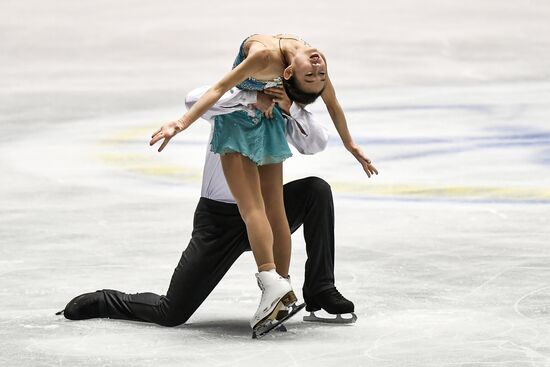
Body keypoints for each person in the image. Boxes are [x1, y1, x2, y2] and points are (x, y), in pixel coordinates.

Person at [59, 86, 358, 331]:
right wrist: (252, 97)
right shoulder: (229, 100)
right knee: (171, 313)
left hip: (268, 215)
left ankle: (320, 289)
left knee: (316, 190)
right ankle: (104, 301)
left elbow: (316, 144)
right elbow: (193, 97)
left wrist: (290, 107)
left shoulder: (282, 105)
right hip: (219, 223)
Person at [148, 34, 378, 332]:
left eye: (318, 74)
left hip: (248, 148)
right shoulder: (264, 64)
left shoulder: (282, 80)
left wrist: (342, 140)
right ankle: (277, 289)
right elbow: (207, 94)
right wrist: (246, 99)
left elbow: (326, 118)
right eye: (313, 73)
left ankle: (294, 290)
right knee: (172, 311)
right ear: (287, 73)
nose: (319, 69)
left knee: (294, 199)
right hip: (219, 219)